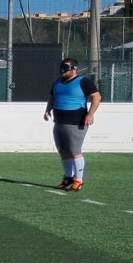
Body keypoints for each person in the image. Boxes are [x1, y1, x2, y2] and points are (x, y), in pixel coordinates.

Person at [43, 57, 102, 191]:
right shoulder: (57, 82)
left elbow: (97, 96)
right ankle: (68, 177)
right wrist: (48, 110)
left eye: (66, 68)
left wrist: (90, 114)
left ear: (74, 69)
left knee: (74, 151)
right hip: (59, 121)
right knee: (63, 150)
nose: (62, 70)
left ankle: (79, 179)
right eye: (61, 67)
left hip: (76, 121)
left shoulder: (83, 82)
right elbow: (52, 97)